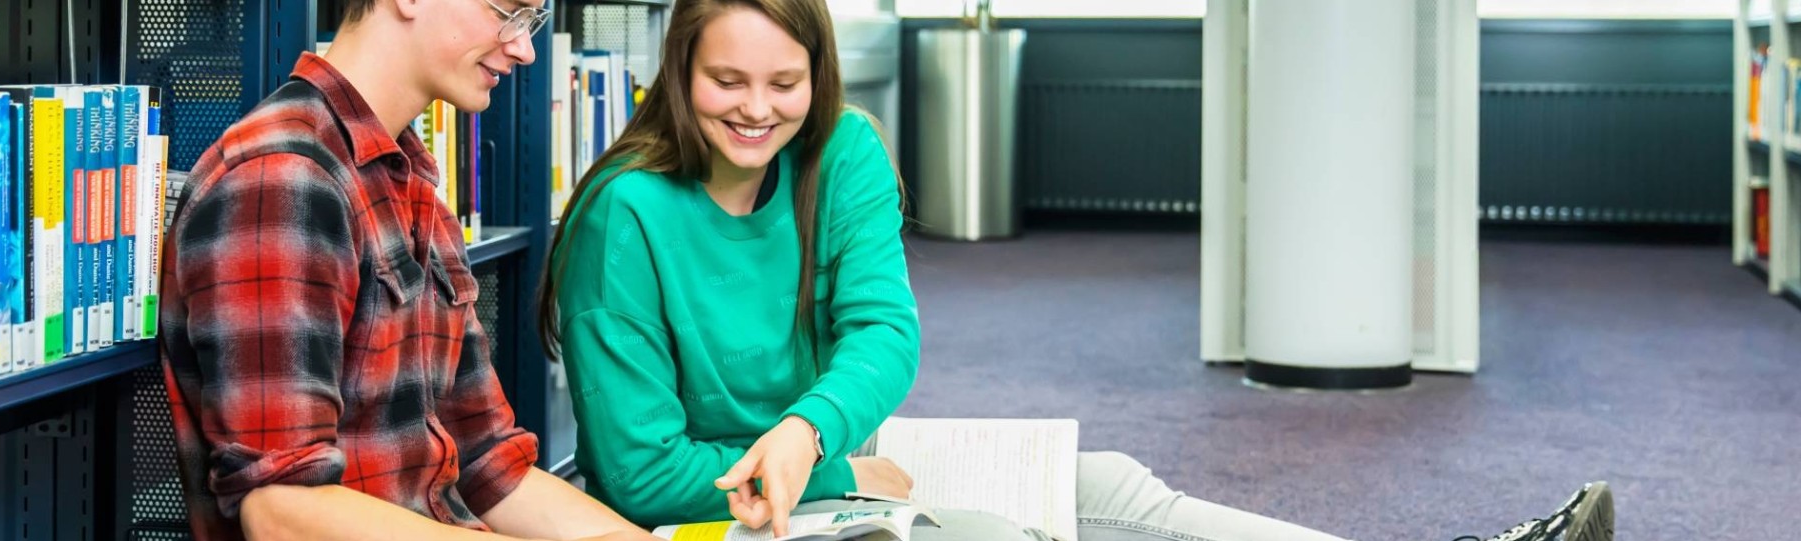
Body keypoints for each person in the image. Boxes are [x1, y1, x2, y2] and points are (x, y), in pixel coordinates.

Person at [536, 1, 1616, 541]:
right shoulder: (622, 217)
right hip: (724, 520)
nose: (756, 109)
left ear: (815, 74)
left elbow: (882, 334)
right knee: (1045, 534)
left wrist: (816, 432)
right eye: (726, 80)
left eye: (783, 81)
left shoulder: (841, 150)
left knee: (1115, 488)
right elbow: (637, 476)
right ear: (679, 74)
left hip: (828, 465)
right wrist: (834, 471)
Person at [156, 1, 659, 540]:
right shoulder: (280, 181)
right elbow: (282, 513)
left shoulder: (414, 191)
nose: (524, 47)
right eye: (508, 12)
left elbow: (488, 464)